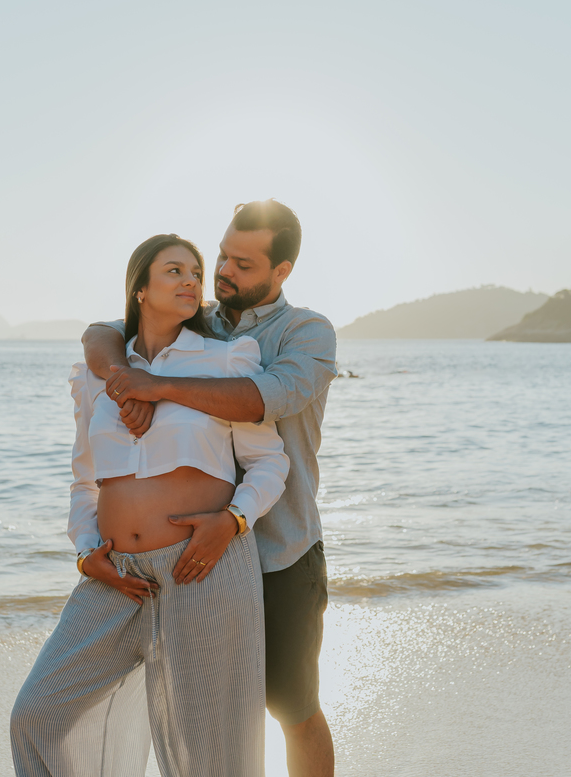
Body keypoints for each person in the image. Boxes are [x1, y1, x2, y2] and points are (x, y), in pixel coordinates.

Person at [10, 233, 290, 777]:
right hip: (116, 578)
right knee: (37, 711)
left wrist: (233, 522)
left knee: (208, 755)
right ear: (139, 289)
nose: (191, 281)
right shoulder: (98, 376)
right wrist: (86, 550)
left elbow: (269, 463)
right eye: (174, 271)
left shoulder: (226, 357)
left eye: (195, 273)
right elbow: (84, 481)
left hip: (202, 568)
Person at [83, 200, 338, 777]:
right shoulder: (203, 319)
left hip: (280, 548)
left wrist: (156, 385)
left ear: (282, 271)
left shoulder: (307, 332)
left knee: (291, 707)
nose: (223, 272)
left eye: (243, 264)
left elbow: (259, 398)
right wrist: (124, 381)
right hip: (197, 561)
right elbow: (104, 330)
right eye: (222, 255)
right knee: (204, 709)